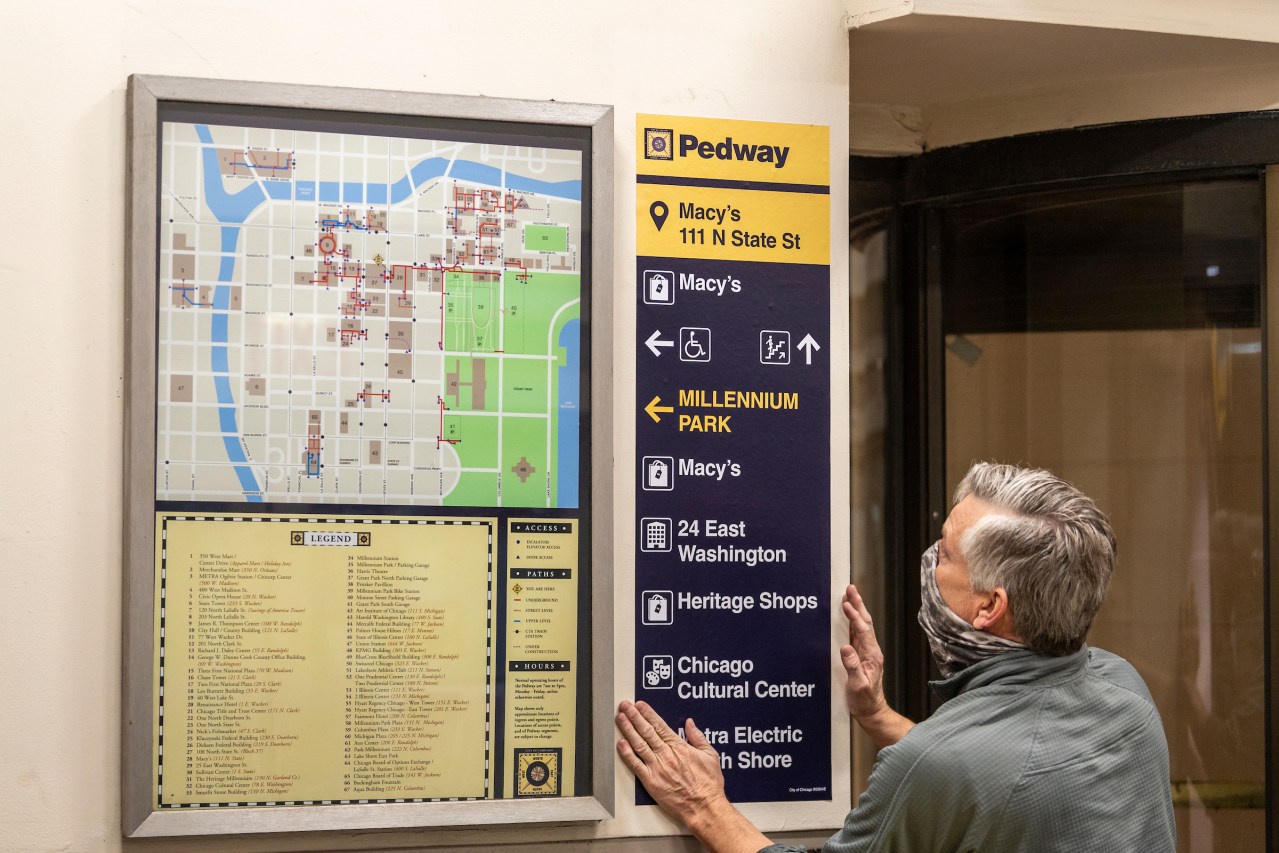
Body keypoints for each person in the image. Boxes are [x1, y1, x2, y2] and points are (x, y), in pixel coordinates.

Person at [616, 462, 1176, 852]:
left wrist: (704, 805)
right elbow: (993, 781)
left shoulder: (935, 765)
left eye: (946, 553)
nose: (929, 560)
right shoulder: (1121, 688)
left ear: (988, 606)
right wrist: (879, 717)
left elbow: (971, 773)